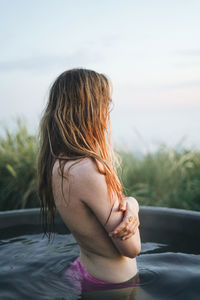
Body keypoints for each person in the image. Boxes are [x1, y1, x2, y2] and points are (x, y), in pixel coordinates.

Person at [37, 68, 141, 295]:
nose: (107, 113)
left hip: (85, 270)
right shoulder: (90, 170)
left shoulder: (58, 164)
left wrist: (131, 203)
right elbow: (131, 248)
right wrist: (132, 206)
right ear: (92, 111)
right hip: (116, 287)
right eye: (106, 105)